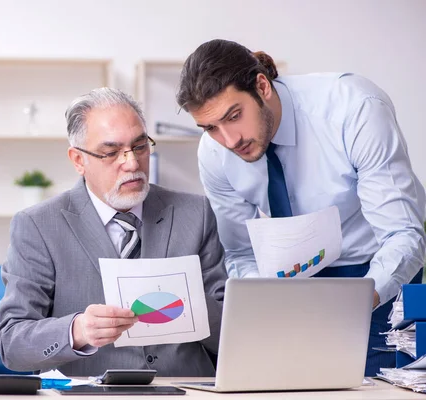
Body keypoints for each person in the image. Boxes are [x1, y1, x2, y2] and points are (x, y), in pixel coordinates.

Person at [176, 39, 425, 376]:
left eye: (234, 116)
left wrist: (360, 301)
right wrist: (270, 300)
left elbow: (403, 235)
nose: (229, 140)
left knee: (374, 388)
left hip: (372, 275)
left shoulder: (354, 108)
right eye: (210, 128)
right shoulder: (214, 152)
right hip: (287, 285)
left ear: (262, 86)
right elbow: (241, 253)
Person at [0, 88, 227, 377]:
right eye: (111, 152)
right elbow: (11, 343)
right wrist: (77, 330)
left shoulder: (196, 213)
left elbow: (233, 333)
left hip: (188, 391)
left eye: (140, 147)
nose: (131, 163)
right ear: (78, 160)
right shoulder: (38, 225)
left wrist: (192, 304)